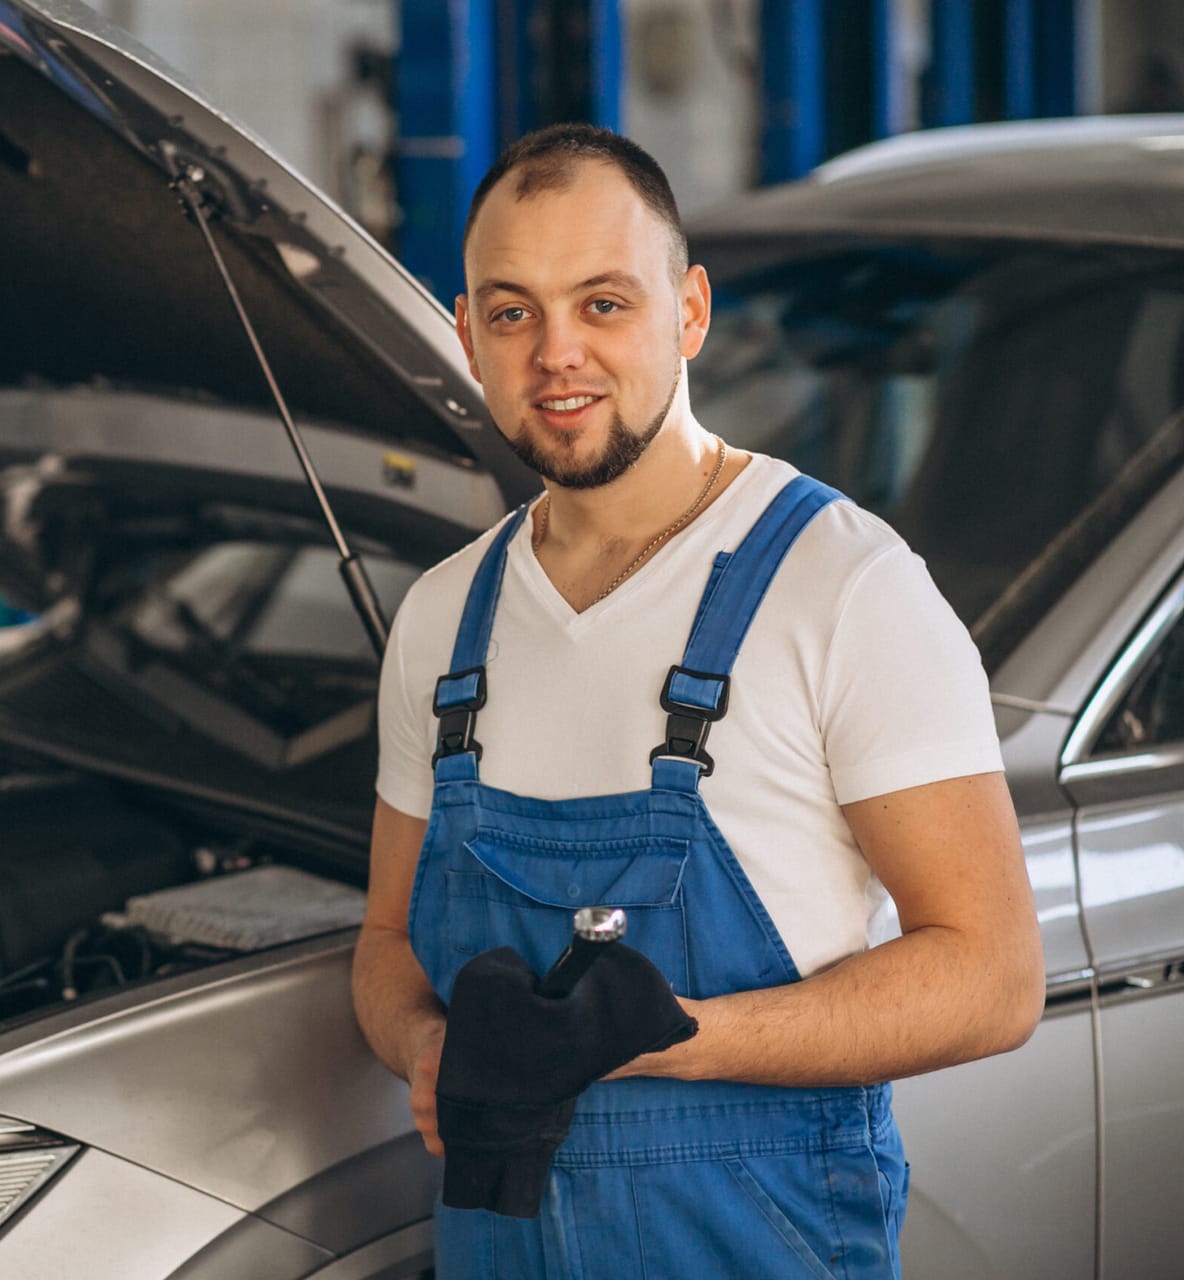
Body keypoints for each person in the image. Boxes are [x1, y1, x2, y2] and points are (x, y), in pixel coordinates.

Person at [350, 124, 1044, 1276]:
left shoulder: (843, 585)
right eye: (514, 311)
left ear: (690, 313)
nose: (557, 352)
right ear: (468, 334)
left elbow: (991, 975)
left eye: (605, 303)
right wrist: (425, 1044)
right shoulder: (442, 619)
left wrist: (672, 1039)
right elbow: (384, 941)